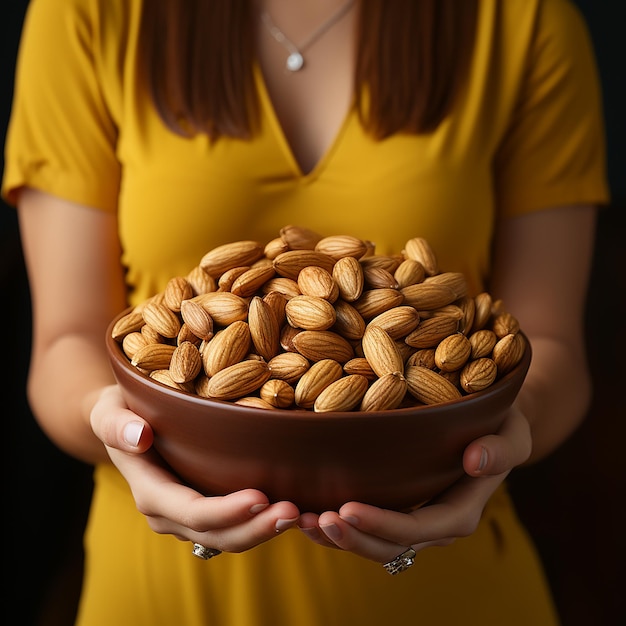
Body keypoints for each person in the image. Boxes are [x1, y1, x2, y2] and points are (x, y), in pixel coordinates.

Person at [2, 0, 609, 624]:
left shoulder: (524, 20)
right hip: (164, 596)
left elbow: (551, 348)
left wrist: (507, 432)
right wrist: (114, 424)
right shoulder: (86, 14)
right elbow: (64, 348)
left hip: (448, 590)